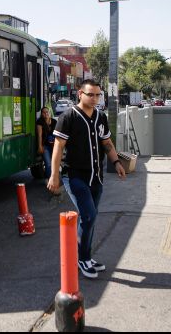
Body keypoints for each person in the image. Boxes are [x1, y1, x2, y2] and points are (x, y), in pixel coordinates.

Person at [47, 79, 126, 279]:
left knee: (90, 218)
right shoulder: (68, 117)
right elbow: (58, 147)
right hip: (74, 176)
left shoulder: (100, 116)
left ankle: (86, 257)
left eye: (98, 95)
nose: (95, 98)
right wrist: (54, 175)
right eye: (90, 94)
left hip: (96, 176)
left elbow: (107, 142)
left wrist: (116, 162)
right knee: (89, 215)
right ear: (80, 93)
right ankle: (82, 258)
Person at [36, 106, 56, 179]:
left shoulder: (54, 121)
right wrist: (40, 146)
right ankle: (51, 180)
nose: (46, 114)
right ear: (41, 114)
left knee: (54, 163)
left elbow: (58, 134)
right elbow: (39, 135)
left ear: (49, 112)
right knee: (48, 164)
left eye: (47, 112)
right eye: (43, 112)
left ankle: (54, 178)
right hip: (45, 146)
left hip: (54, 145)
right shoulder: (40, 122)